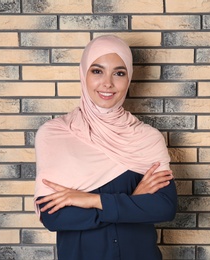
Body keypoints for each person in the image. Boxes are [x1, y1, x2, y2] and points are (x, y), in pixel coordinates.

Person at [34, 35, 177, 260]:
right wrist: (132, 200)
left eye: (119, 73)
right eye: (97, 71)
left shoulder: (147, 138)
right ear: (83, 74)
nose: (108, 83)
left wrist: (91, 200)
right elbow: (54, 217)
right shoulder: (54, 134)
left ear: (128, 78)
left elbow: (164, 207)